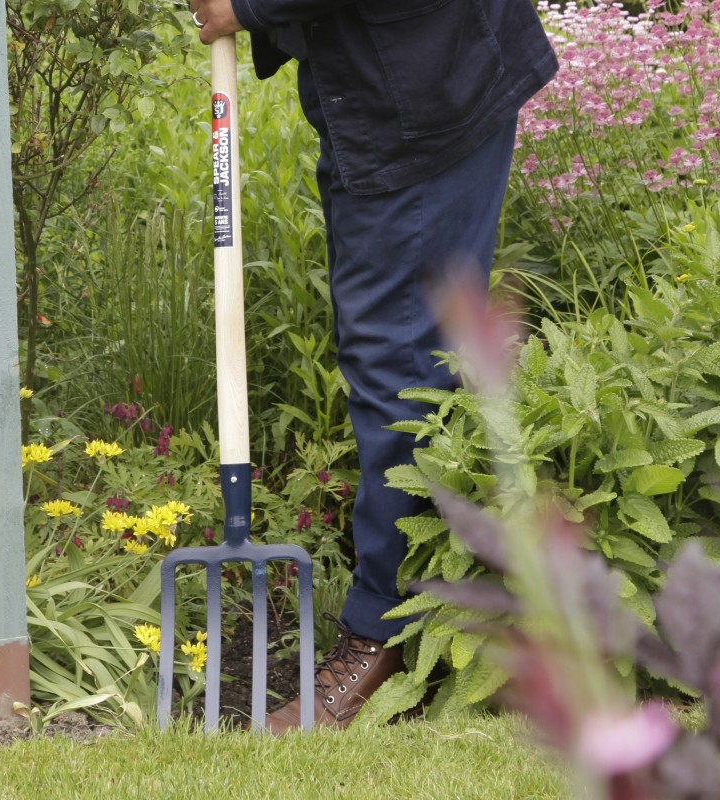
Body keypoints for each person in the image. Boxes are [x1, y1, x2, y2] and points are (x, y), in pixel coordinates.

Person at [188, 0, 558, 732]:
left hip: (421, 95)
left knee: (401, 366)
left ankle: (388, 637)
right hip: (397, 82)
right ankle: (455, 617)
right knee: (411, 357)